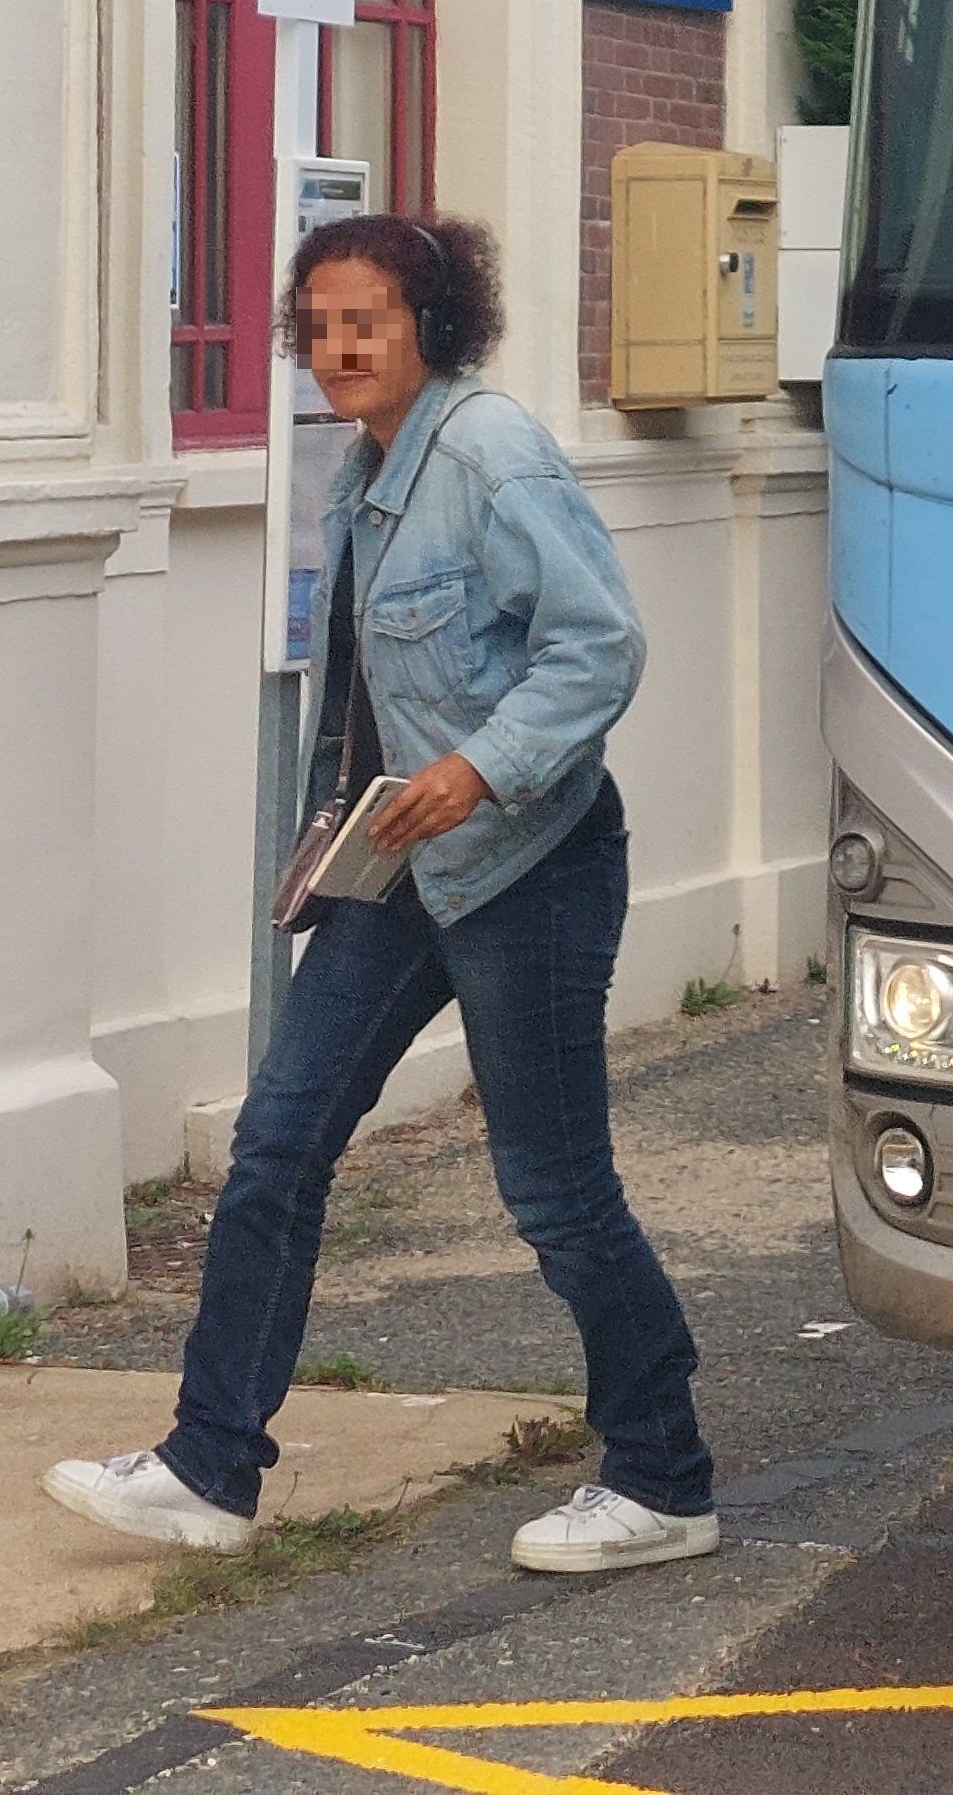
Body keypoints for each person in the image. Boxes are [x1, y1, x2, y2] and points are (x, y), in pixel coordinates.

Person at [46, 211, 718, 1575]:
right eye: (321, 325)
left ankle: (663, 1477)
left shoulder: (489, 454)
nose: (342, 346)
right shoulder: (365, 469)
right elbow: (364, 699)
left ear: (432, 325)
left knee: (555, 1190)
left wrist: (481, 770)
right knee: (277, 1150)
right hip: (395, 862)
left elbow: (599, 647)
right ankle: (207, 1467)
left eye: (370, 321)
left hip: (527, 862)